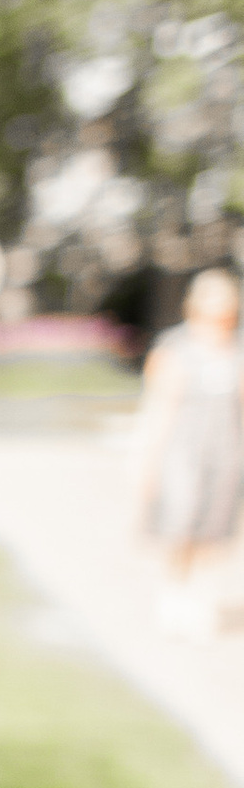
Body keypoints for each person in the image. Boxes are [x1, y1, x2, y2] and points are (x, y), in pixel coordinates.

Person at [136, 264, 244, 635]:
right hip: (183, 450)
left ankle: (202, 598)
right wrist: (149, 461)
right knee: (181, 522)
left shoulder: (237, 350)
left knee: (214, 529)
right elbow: (160, 408)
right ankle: (174, 594)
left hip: (225, 450)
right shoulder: (176, 348)